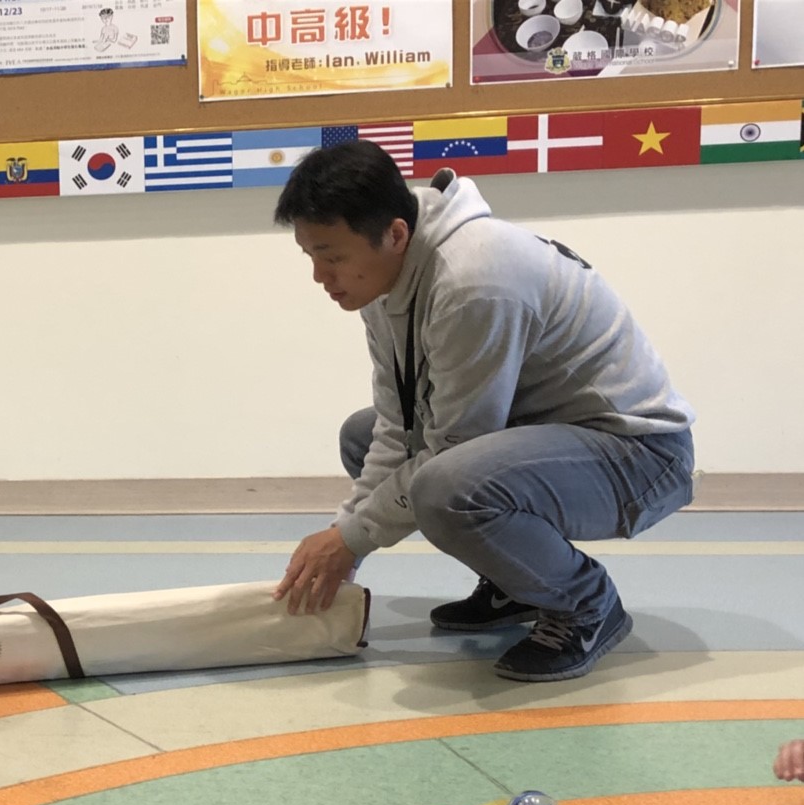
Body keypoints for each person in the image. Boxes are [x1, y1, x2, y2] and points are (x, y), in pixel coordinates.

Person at [270, 141, 695, 682]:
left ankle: (586, 603)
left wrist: (350, 539)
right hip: (553, 436)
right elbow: (398, 425)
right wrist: (346, 535)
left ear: (394, 234)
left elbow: (456, 445)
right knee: (363, 434)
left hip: (640, 455)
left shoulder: (473, 281)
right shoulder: (387, 280)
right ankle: (518, 585)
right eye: (310, 256)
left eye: (332, 257)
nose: (319, 276)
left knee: (447, 486)